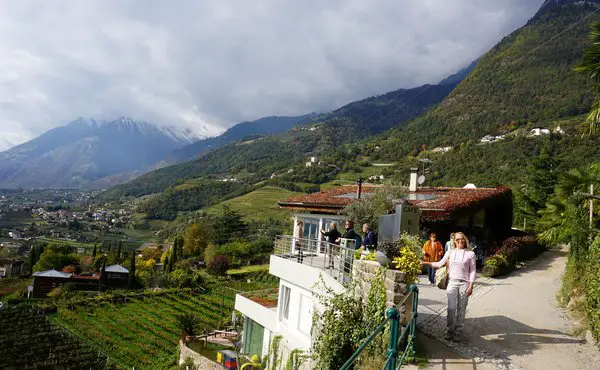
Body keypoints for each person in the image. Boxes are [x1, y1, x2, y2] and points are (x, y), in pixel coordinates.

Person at [422, 232, 476, 342]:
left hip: (464, 284)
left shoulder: (470, 254)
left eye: (462, 239)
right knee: (451, 308)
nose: (460, 241)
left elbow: (473, 271)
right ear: (454, 241)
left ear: (465, 240)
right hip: (452, 283)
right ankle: (450, 330)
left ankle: (458, 332)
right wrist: (425, 263)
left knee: (461, 309)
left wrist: (471, 285)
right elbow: (439, 264)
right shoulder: (450, 252)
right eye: (457, 239)